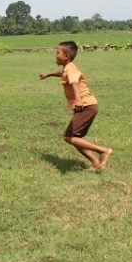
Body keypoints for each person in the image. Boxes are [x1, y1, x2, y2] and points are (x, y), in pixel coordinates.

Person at [39, 41, 113, 171]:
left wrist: (78, 100)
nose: (55, 55)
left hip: (85, 105)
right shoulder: (68, 68)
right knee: (75, 138)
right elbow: (63, 74)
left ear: (66, 56)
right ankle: (96, 163)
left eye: (58, 53)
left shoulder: (71, 68)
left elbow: (74, 83)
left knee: (69, 137)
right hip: (88, 105)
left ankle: (103, 151)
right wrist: (49, 74)